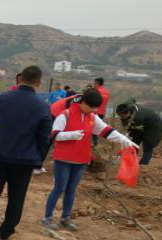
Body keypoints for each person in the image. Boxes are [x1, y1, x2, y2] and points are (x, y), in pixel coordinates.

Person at [42, 88, 137, 230]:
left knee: (71, 189)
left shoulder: (92, 117)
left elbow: (106, 131)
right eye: (91, 107)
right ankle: (48, 218)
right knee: (59, 188)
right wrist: (71, 135)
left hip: (81, 161)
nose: (93, 110)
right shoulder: (65, 115)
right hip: (63, 160)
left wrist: (125, 141)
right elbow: (54, 135)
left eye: (95, 108)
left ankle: (65, 218)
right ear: (83, 102)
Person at [0, 65, 52, 240]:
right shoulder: (42, 107)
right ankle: (6, 230)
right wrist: (39, 161)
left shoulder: (3, 97)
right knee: (17, 196)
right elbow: (44, 138)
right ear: (38, 82)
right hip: (24, 160)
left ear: (20, 79)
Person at [116, 101, 162, 165]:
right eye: (119, 116)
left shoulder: (138, 117)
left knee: (147, 146)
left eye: (122, 116)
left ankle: (143, 165)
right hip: (143, 126)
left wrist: (129, 135)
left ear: (128, 113)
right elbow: (126, 124)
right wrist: (127, 132)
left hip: (153, 127)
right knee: (133, 144)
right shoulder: (125, 109)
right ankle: (130, 162)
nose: (121, 117)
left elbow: (137, 131)